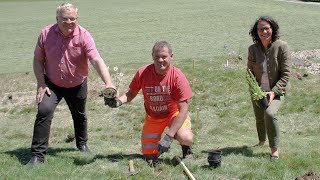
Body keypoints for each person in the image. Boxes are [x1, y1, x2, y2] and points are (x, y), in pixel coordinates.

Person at [26, 3, 115, 167]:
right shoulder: (45, 33)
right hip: (51, 84)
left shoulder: (84, 35)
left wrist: (108, 82)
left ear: (77, 18)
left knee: (79, 114)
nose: (69, 22)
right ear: (57, 18)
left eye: (72, 18)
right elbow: (38, 60)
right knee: (44, 111)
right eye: (65, 18)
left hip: (77, 83)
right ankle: (38, 156)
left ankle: (82, 144)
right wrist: (40, 83)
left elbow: (95, 59)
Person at [105, 41, 194, 163]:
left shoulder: (177, 76)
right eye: (157, 57)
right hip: (153, 117)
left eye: (164, 57)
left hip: (173, 115)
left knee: (186, 137)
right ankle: (152, 151)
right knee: (150, 157)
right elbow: (130, 94)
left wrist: (169, 136)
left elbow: (183, 110)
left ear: (171, 56)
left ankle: (186, 149)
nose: (160, 60)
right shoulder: (143, 72)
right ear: (152, 56)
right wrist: (117, 102)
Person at [247, 16, 291, 160]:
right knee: (259, 116)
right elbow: (249, 72)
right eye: (260, 29)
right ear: (256, 31)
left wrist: (274, 92)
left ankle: (274, 150)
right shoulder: (252, 49)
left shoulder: (282, 46)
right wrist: (256, 90)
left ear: (272, 29)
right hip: (259, 90)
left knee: (270, 114)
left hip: (278, 90)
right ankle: (261, 141)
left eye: (267, 28)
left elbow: (286, 74)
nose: (264, 31)